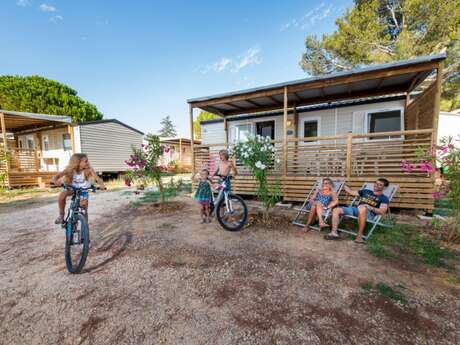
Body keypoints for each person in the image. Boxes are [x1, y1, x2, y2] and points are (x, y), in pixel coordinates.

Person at [325, 178, 390, 243]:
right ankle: (334, 233)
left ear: (384, 187)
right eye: (376, 183)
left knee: (362, 208)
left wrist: (370, 207)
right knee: (336, 210)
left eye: (380, 185)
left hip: (369, 214)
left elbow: (382, 211)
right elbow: (350, 191)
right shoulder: (366, 191)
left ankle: (359, 237)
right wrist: (343, 183)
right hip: (356, 209)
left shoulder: (384, 198)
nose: (376, 185)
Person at [52, 153, 106, 224]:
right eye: (86, 161)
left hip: (83, 190)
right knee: (62, 195)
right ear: (78, 162)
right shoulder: (70, 169)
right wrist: (55, 181)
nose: (88, 163)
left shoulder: (89, 169)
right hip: (72, 189)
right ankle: (61, 216)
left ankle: (85, 227)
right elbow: (57, 176)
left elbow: (98, 179)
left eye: (88, 161)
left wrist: (101, 185)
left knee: (84, 208)